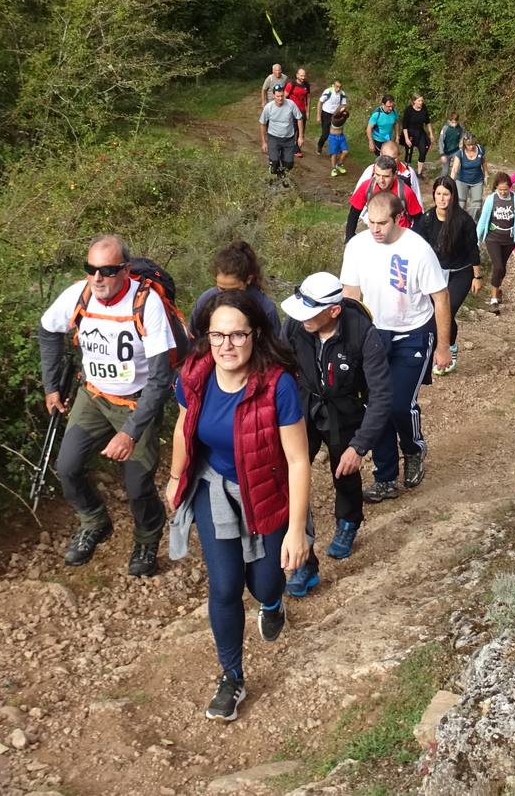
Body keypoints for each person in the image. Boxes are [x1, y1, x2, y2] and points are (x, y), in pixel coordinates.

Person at [166, 291, 311, 722]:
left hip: (266, 491)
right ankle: (231, 677)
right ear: (206, 338)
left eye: (237, 335)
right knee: (225, 587)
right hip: (215, 491)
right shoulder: (194, 374)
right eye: (217, 336)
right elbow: (182, 426)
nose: (226, 345)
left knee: (265, 584)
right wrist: (176, 479)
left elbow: (299, 460)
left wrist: (297, 529)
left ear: (255, 335)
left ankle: (272, 603)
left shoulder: (277, 385)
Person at [38, 234, 177, 575]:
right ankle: (95, 522)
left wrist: (130, 433)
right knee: (67, 467)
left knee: (137, 485)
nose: (97, 278)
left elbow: (160, 379)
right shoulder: (79, 295)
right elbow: (47, 330)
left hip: (136, 402)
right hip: (94, 396)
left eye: (108, 270)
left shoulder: (147, 304)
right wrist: (52, 386)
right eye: (91, 269)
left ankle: (147, 537)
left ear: (125, 271)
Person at [277, 273, 393, 593]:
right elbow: (276, 367)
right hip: (305, 406)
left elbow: (382, 396)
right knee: (291, 475)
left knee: (344, 469)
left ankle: (348, 521)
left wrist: (360, 446)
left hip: (345, 410)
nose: (301, 318)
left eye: (309, 311)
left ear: (333, 311)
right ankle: (303, 560)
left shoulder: (363, 335)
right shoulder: (294, 328)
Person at [340, 192, 452, 501]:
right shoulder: (357, 247)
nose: (375, 229)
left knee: (399, 404)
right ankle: (385, 476)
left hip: (413, 332)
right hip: (373, 336)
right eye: (370, 222)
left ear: (398, 218)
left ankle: (414, 448)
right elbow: (350, 295)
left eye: (381, 223)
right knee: (376, 406)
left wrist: (444, 346)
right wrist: (346, 342)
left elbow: (440, 298)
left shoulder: (417, 249)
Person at [413, 176, 480, 376]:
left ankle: (449, 348)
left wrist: (477, 276)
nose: (442, 199)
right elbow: (418, 248)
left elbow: (472, 249)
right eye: (439, 194)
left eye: (446, 194)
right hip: (435, 274)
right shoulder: (426, 219)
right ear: (433, 195)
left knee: (447, 309)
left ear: (453, 196)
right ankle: (440, 347)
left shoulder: (464, 220)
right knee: (435, 312)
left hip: (461, 273)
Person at [189, 240, 283, 338]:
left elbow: (275, 349)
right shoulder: (205, 302)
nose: (227, 296)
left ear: (248, 280)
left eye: (234, 290)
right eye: (221, 289)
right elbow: (194, 341)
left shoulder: (266, 309)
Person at [476, 171, 515, 313]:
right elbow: (482, 221)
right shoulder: (491, 199)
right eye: (500, 190)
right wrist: (476, 239)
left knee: (502, 268)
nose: (503, 192)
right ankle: (493, 300)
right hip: (493, 238)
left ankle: (497, 290)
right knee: (498, 266)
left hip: (509, 239)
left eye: (506, 189)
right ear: (495, 188)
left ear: (510, 187)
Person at [343, 152, 423, 240]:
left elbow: (419, 219)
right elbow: (354, 213)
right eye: (377, 175)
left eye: (386, 176)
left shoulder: (406, 192)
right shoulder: (366, 187)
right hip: (376, 236)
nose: (381, 180)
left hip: (400, 238)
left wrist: (412, 240)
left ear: (395, 175)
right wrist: (349, 238)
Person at [258, 83, 304, 187]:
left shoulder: (291, 104)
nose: (280, 98)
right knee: (274, 163)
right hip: (273, 138)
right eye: (278, 96)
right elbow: (262, 123)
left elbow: (299, 118)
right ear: (274, 96)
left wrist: (300, 136)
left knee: (289, 163)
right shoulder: (268, 107)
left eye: (282, 95)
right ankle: (276, 176)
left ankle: (282, 176)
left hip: (288, 139)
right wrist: (264, 142)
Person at [352, 139, 422, 200]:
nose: (389, 162)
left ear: (399, 155)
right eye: (386, 157)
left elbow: (417, 196)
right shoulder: (370, 171)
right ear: (380, 155)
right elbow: (358, 195)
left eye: (393, 158)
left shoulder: (409, 172)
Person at [453, 133, 488, 217]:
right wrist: (450, 181)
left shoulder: (480, 149)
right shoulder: (460, 152)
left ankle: (472, 221)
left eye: (473, 144)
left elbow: (484, 162)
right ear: (465, 144)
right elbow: (454, 169)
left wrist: (486, 175)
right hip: (462, 181)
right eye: (469, 145)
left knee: (477, 204)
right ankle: (460, 220)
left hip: (477, 180)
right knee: (461, 203)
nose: (471, 147)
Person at [400, 93, 433, 172]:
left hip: (420, 132)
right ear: (414, 101)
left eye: (422, 100)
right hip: (410, 133)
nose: (421, 102)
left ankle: (419, 172)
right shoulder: (409, 110)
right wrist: (407, 139)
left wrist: (431, 134)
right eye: (419, 101)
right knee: (409, 153)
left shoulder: (424, 108)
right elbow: (404, 126)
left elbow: (428, 122)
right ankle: (407, 171)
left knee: (423, 151)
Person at [318, 78, 347, 155]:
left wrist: (341, 112)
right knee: (325, 134)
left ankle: (334, 150)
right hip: (326, 114)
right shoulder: (328, 91)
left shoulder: (342, 94)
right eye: (337, 86)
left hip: (335, 115)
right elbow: (320, 102)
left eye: (340, 87)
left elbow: (343, 105)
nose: (338, 89)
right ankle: (319, 146)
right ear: (333, 85)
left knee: (336, 133)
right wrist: (318, 116)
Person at [438, 110, 466, 181]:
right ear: (449, 121)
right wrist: (442, 154)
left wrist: (461, 145)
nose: (454, 124)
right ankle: (442, 183)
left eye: (456, 122)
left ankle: (454, 184)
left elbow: (461, 137)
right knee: (445, 171)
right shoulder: (445, 128)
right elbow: (441, 141)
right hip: (446, 152)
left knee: (456, 169)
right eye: (452, 122)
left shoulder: (460, 128)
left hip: (456, 151)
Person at [327, 100, 352, 177]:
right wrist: (341, 111)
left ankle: (339, 164)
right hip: (333, 137)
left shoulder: (344, 116)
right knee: (334, 154)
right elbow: (336, 115)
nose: (344, 111)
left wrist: (345, 111)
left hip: (341, 136)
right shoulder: (334, 118)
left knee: (345, 151)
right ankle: (333, 168)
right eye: (342, 110)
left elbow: (347, 115)